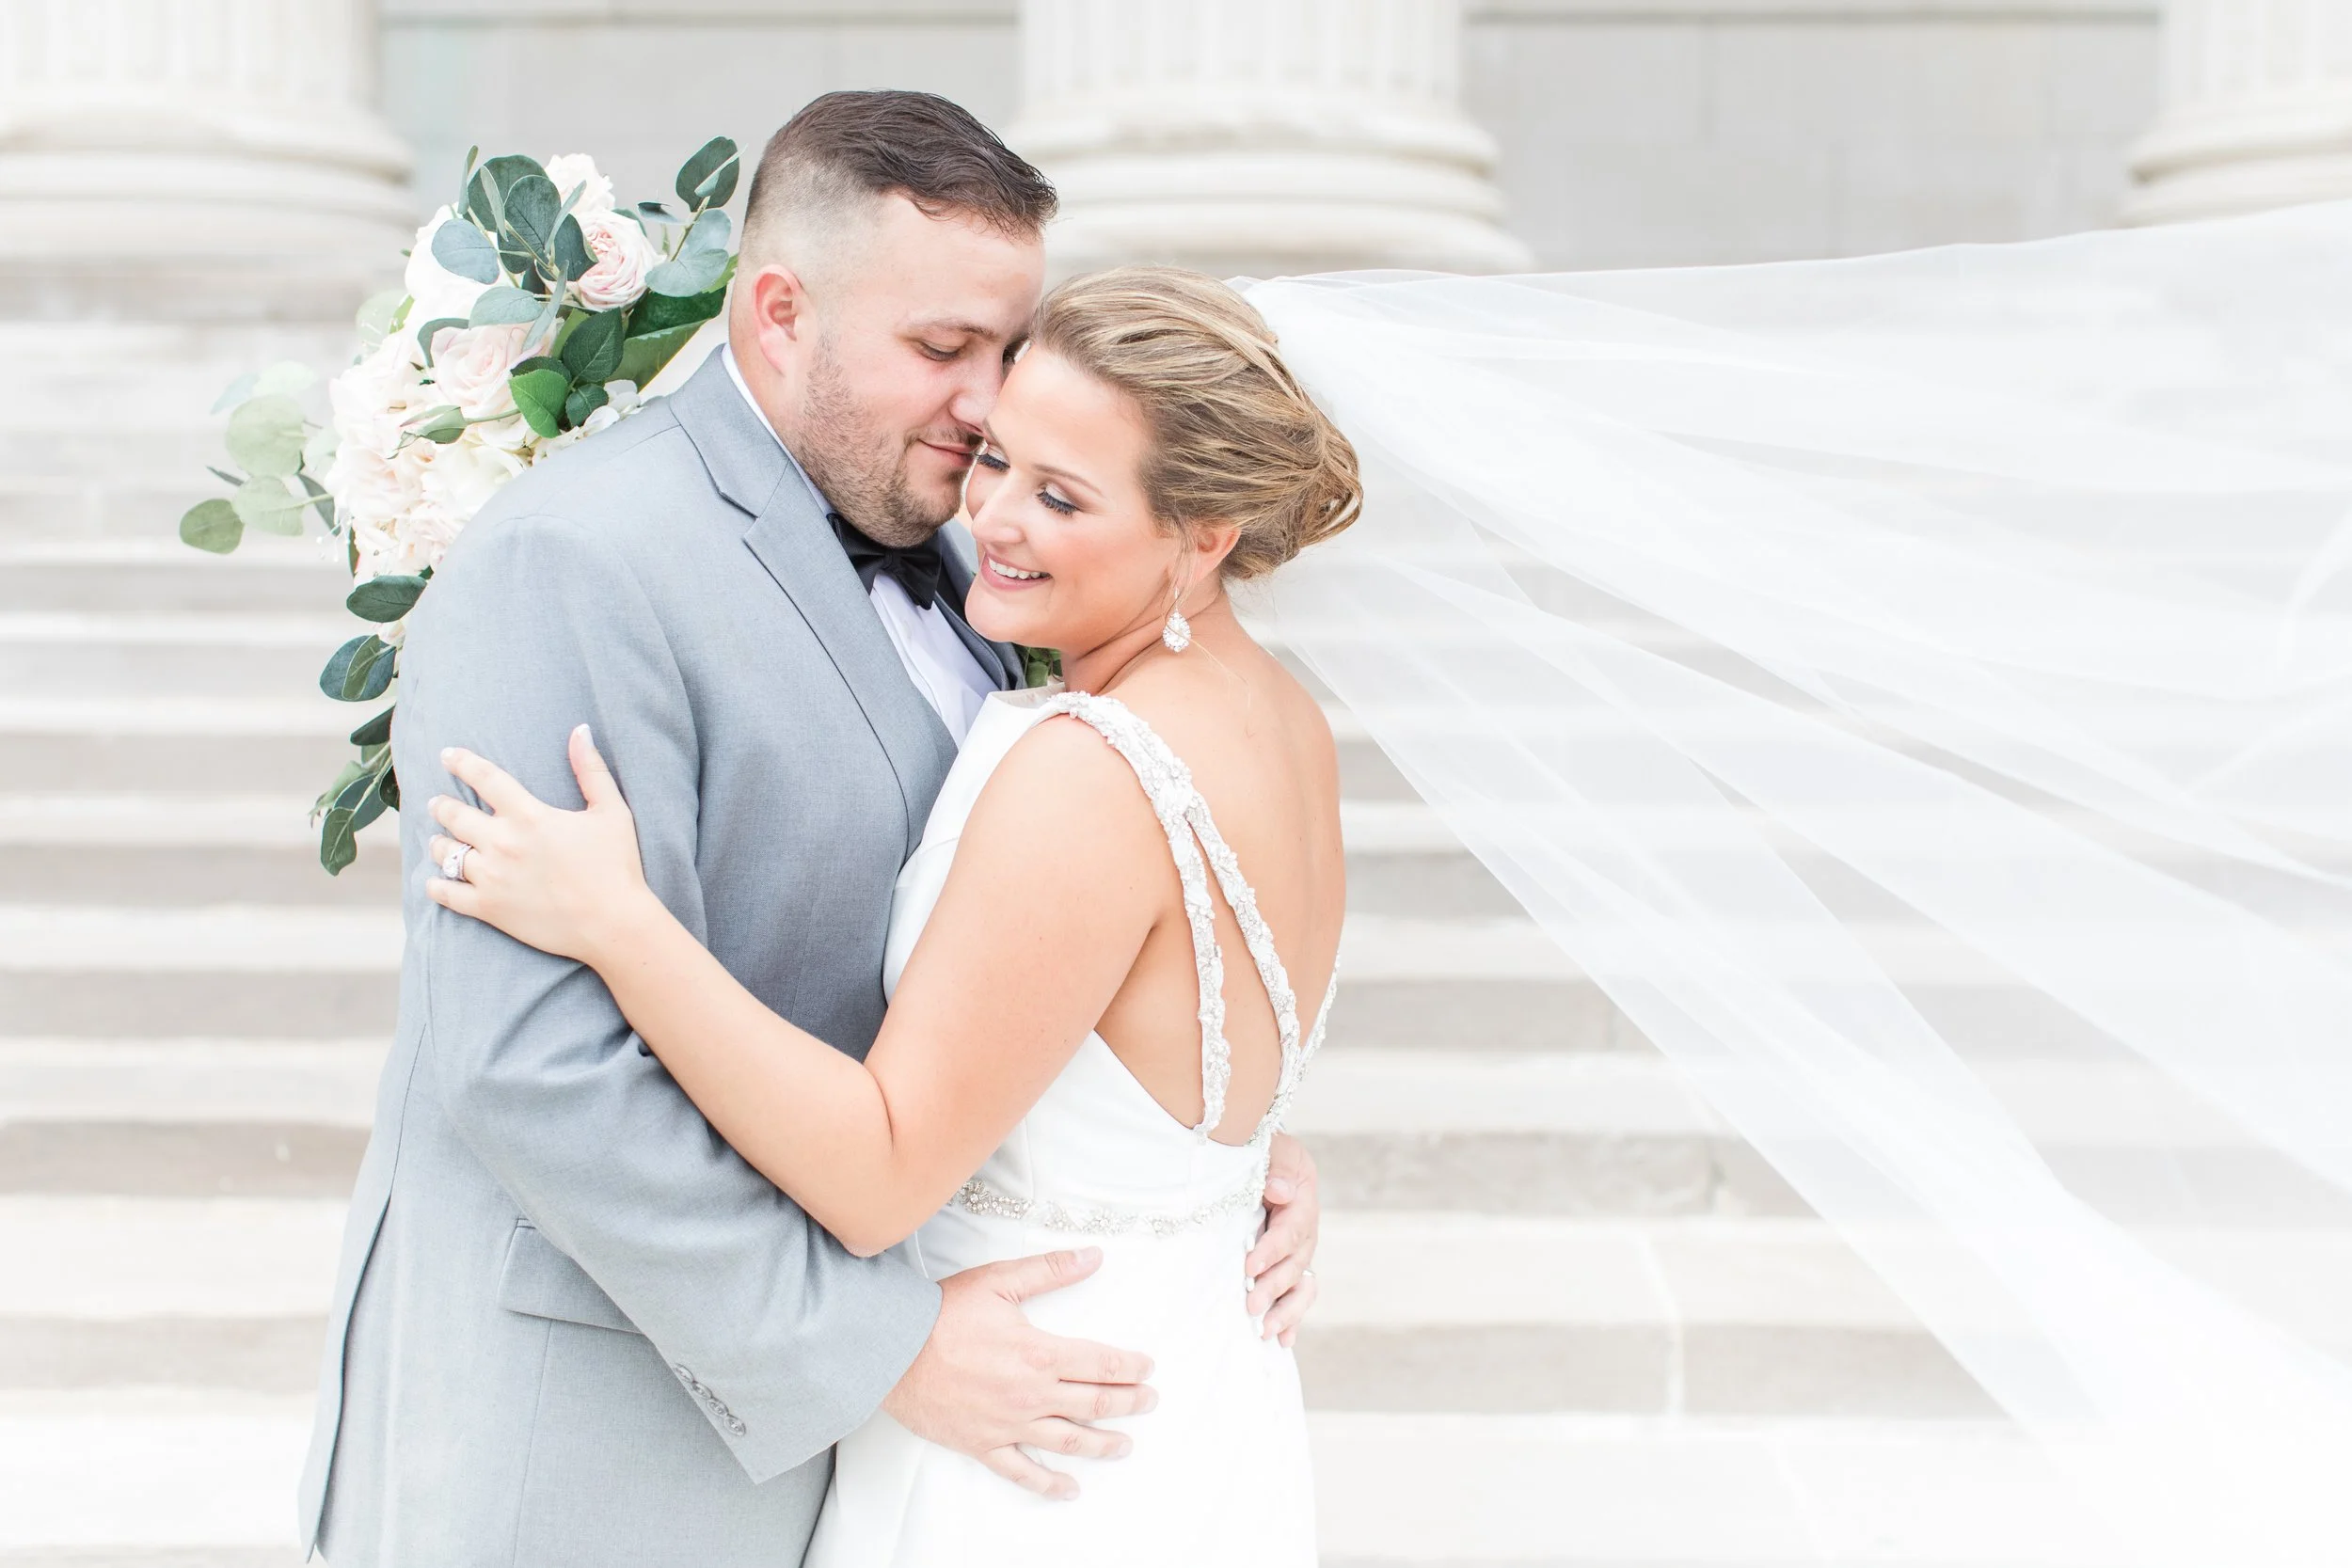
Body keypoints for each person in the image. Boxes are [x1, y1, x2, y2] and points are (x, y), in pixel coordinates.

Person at [298, 93, 1324, 1568]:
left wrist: (1204, 1133)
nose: (990, 406)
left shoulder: (999, 555)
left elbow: (1063, 931)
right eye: (942, 349)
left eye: (1008, 348)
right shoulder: (568, 562)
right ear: (779, 315)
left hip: (933, 1428)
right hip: (595, 1440)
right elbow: (530, 1065)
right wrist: (877, 1347)